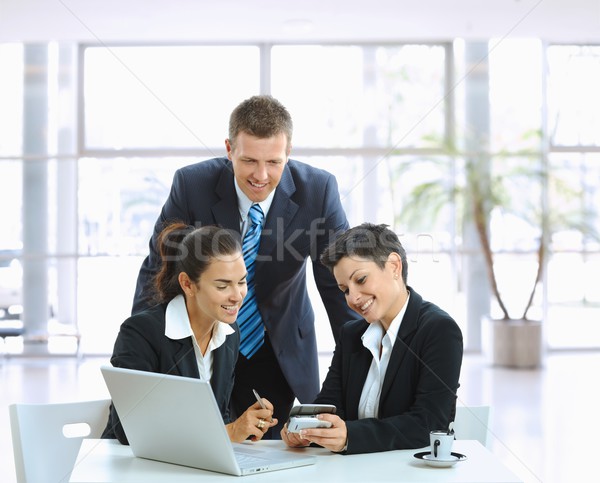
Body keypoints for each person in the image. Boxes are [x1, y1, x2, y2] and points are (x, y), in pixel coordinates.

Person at [131, 95, 355, 437]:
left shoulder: (318, 191)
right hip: (204, 339)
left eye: (274, 162)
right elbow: (158, 269)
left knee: (262, 448)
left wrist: (360, 366)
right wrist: (140, 349)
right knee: (193, 441)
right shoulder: (192, 186)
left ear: (289, 152)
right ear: (229, 149)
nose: (261, 175)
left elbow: (339, 285)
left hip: (274, 344)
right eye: (249, 160)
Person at [281, 223, 463, 454]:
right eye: (345, 289)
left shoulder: (439, 330)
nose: (353, 298)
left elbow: (428, 423)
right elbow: (329, 407)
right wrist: (305, 430)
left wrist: (350, 436)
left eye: (361, 280)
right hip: (355, 471)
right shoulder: (351, 334)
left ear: (394, 266)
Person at [102, 222, 277, 444]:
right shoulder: (140, 333)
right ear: (188, 284)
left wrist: (242, 427)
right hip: (133, 464)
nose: (237, 296)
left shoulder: (229, 333)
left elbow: (217, 417)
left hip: (191, 462)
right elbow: (129, 431)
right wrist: (228, 432)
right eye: (223, 286)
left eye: (241, 282)